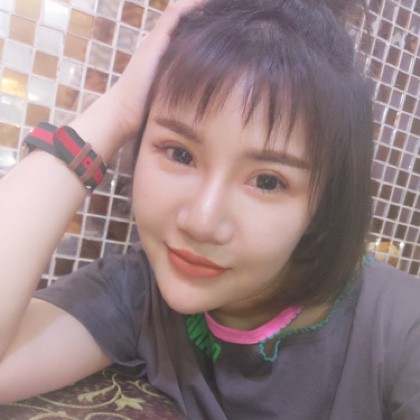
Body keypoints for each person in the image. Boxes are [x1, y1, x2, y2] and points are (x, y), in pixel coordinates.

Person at [0, 0, 419, 418]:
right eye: (179, 154)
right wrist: (117, 111)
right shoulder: (138, 295)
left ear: (321, 205)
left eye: (267, 181)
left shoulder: (401, 330)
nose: (202, 222)